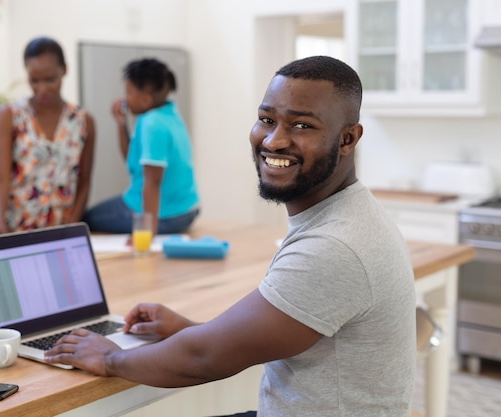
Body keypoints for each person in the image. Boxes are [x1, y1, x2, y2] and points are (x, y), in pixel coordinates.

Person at [46, 56, 416, 416]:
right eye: (266, 119)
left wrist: (109, 357)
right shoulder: (345, 214)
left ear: (348, 139)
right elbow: (272, 332)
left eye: (301, 126)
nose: (274, 140)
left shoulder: (335, 247)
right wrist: (190, 330)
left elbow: (204, 359)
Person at [0, 36, 95, 235]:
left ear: (64, 70)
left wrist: (73, 223)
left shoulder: (83, 121)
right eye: (34, 80)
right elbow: (1, 178)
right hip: (18, 228)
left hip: (62, 229)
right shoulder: (11, 116)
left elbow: (84, 180)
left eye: (50, 80)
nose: (42, 89)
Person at [82, 58, 199, 234]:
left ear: (145, 100)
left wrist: (146, 230)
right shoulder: (170, 114)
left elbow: (153, 181)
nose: (125, 98)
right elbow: (131, 158)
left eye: (128, 92)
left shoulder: (151, 124)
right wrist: (121, 124)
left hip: (164, 216)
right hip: (187, 212)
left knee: (87, 219)